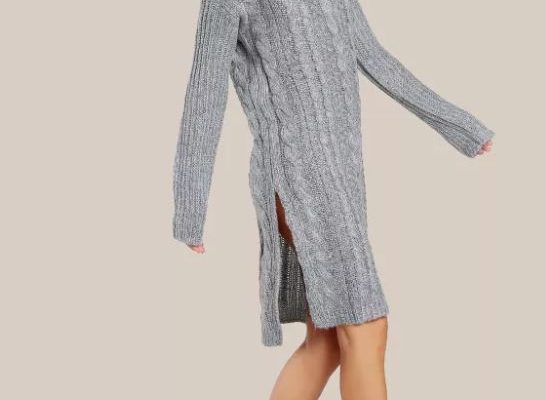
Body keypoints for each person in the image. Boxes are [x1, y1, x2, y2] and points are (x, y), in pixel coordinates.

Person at [172, 0, 494, 399]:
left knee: (324, 342)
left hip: (343, 174)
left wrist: (459, 125)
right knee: (366, 327)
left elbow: (374, 57)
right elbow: (204, 95)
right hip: (299, 177)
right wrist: (190, 209)